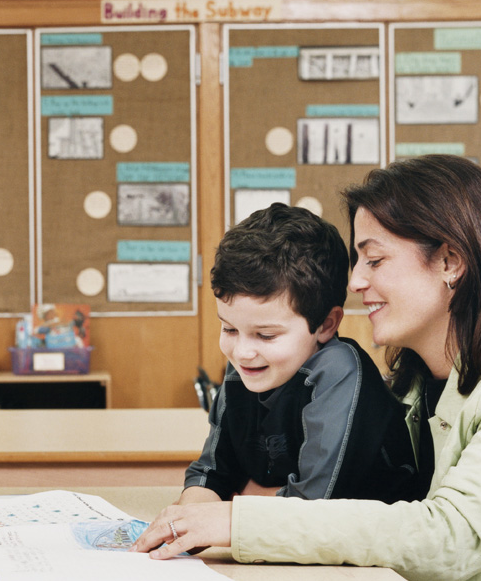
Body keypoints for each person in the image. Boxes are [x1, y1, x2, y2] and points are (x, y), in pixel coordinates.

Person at [133, 155, 481, 581]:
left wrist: (239, 521)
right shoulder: (416, 385)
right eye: (358, 261)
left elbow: (449, 539)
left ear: (450, 261)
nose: (355, 281)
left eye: (374, 260)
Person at [180, 203, 423, 507]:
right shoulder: (247, 367)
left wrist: (241, 501)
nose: (242, 352)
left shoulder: (338, 371)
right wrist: (190, 513)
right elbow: (210, 473)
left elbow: (310, 506)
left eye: (266, 335)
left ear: (326, 325)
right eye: (229, 329)